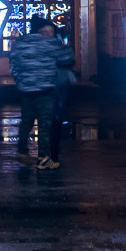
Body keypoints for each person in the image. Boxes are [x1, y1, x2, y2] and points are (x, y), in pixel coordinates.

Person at [8, 15, 72, 170]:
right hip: (45, 89)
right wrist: (64, 42)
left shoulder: (20, 43)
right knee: (44, 124)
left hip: (26, 89)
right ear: (43, 30)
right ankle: (43, 158)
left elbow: (13, 65)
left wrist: (21, 80)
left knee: (26, 122)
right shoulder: (49, 43)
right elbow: (66, 59)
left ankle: (22, 153)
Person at [49, 25, 77, 166]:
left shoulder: (48, 47)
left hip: (51, 82)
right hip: (60, 82)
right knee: (56, 114)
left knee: (51, 114)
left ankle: (50, 148)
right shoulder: (62, 47)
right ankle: (53, 148)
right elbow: (70, 60)